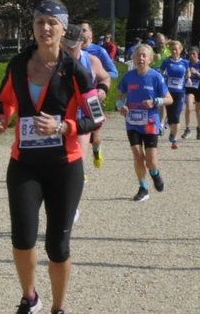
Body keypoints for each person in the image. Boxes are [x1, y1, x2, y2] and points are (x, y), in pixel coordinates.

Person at [0, 0, 96, 314]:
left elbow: (96, 117)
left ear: (64, 29)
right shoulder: (19, 64)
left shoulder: (75, 69)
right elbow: (5, 100)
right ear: (33, 27)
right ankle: (29, 298)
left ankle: (58, 312)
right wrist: (1, 119)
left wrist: (64, 127)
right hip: (24, 163)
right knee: (22, 237)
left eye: (52, 22)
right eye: (40, 22)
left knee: (57, 245)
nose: (46, 28)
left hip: (64, 165)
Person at [117, 43, 171, 200]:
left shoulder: (156, 77)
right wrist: (121, 106)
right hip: (132, 121)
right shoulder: (129, 76)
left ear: (150, 59)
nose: (140, 58)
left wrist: (155, 102)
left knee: (151, 161)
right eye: (137, 55)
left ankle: (155, 173)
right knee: (137, 154)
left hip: (150, 123)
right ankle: (143, 187)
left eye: (143, 55)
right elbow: (119, 95)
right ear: (133, 59)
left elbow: (169, 99)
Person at [76, 22, 116, 165]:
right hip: (76, 101)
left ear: (91, 33)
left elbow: (113, 73)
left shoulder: (98, 52)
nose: (82, 33)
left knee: (94, 135)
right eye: (79, 31)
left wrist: (99, 87)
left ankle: (97, 148)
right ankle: (80, 170)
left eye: (85, 30)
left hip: (93, 98)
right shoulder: (68, 50)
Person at [160, 39, 189, 148]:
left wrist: (189, 78)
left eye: (176, 49)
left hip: (180, 92)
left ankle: (175, 139)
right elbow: (160, 72)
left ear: (180, 50)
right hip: (168, 92)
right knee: (170, 117)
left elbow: (188, 71)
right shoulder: (167, 62)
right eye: (172, 50)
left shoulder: (185, 62)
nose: (174, 51)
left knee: (176, 116)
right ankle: (171, 131)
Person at [184, 45, 200, 140]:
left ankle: (199, 128)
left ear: (197, 55)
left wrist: (196, 73)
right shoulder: (187, 64)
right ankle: (187, 129)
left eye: (193, 54)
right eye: (190, 54)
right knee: (189, 107)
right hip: (190, 87)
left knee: (198, 110)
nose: (191, 56)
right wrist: (187, 74)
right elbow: (184, 76)